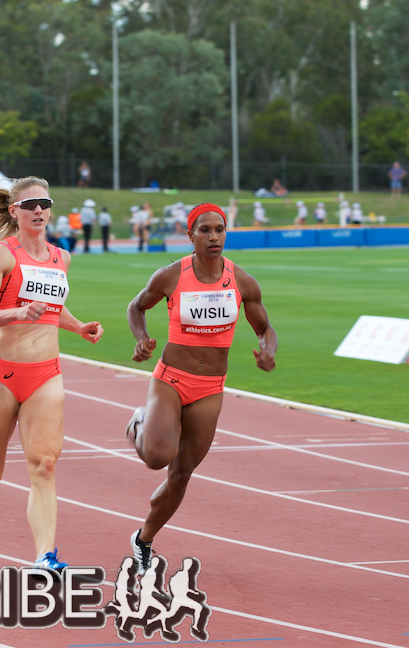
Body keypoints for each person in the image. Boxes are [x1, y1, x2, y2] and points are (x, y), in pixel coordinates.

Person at [0, 176, 104, 574]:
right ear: (14, 212)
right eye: (30, 204)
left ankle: (45, 557)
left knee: (44, 465)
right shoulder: (0, 256)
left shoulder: (61, 257)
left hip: (46, 375)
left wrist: (79, 328)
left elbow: (55, 308)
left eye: (45, 202)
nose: (39, 210)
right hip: (1, 375)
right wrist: (16, 313)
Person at [124, 202, 276, 576]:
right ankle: (140, 425)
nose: (213, 236)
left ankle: (144, 540)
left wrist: (268, 352)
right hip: (171, 380)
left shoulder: (241, 281)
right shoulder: (171, 276)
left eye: (219, 230)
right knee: (157, 457)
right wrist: (142, 338)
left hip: (210, 388)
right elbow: (136, 306)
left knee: (181, 474)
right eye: (205, 230)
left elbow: (264, 329)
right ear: (190, 235)